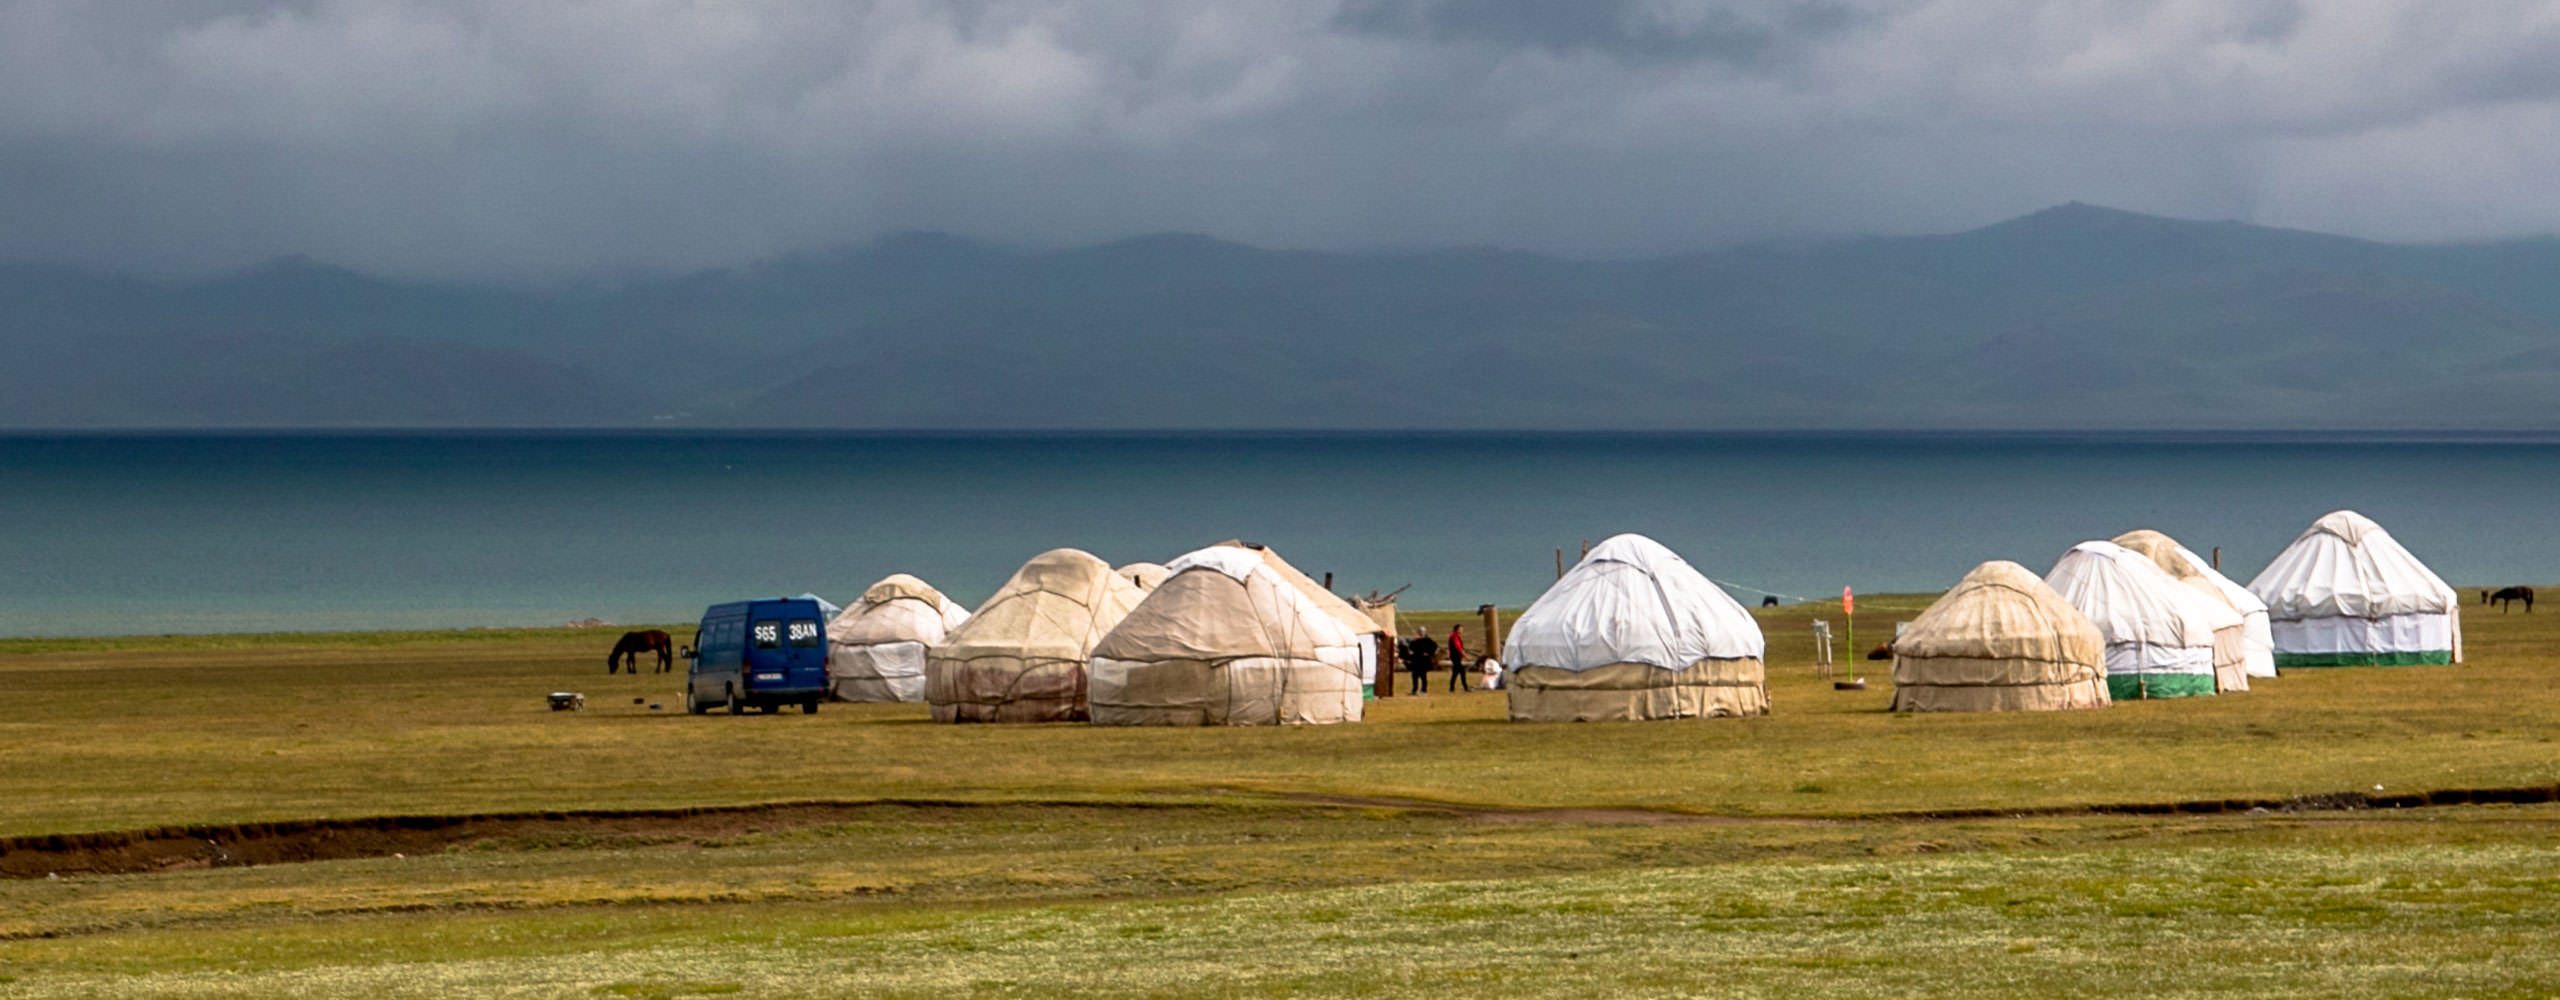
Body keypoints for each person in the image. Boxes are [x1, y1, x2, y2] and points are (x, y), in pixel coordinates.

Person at [1406, 626, 1438, 696]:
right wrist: (1414, 640)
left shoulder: (1428, 640)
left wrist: (1429, 653)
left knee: (1423, 676)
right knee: (1414, 675)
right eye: (1420, 632)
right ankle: (1414, 690)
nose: (1421, 633)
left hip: (1424, 661)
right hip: (1416, 660)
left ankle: (1424, 690)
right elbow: (1411, 648)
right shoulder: (1416, 641)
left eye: (1422, 632)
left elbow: (1434, 647)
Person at [1445, 623, 1470, 692]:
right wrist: (1465, 656)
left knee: (1455, 672)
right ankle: (1465, 687)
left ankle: (1452, 688)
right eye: (1461, 629)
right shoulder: (1455, 637)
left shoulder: (1453, 636)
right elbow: (1458, 647)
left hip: (1455, 656)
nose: (1462, 630)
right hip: (1455, 656)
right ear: (1457, 630)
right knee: (1462, 672)